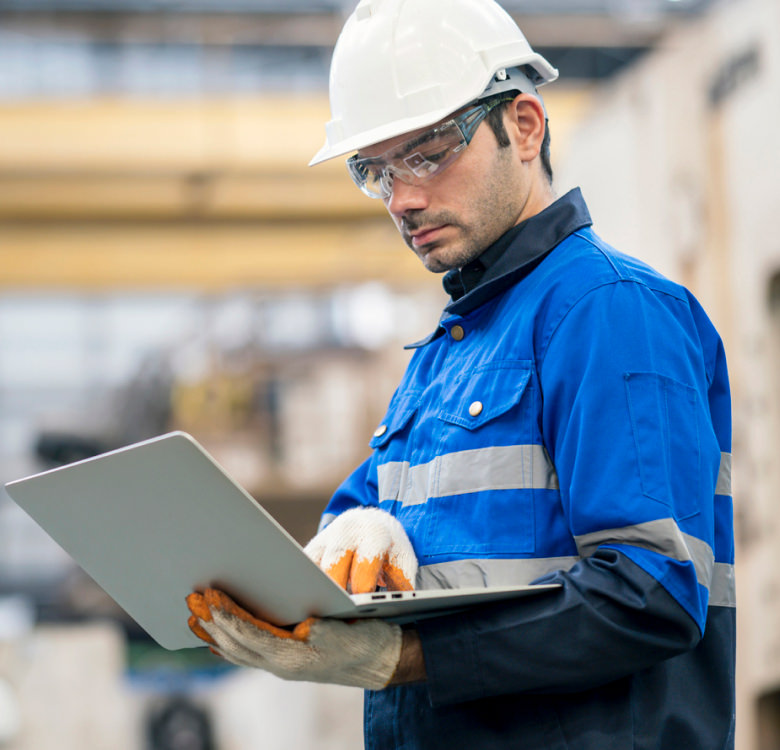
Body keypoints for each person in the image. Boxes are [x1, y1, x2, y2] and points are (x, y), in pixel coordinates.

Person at [186, 0, 736, 748]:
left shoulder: (609, 311)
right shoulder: (448, 353)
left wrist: (406, 658)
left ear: (525, 126)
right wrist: (355, 529)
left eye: (428, 152)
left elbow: (648, 594)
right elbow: (357, 515)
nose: (403, 199)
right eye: (375, 171)